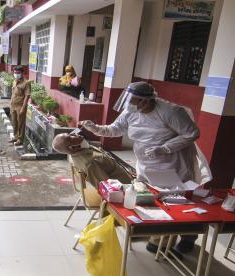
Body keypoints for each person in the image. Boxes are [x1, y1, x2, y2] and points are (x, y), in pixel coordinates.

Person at [79, 81, 211, 255]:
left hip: (172, 163)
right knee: (149, 197)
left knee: (178, 200)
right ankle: (159, 236)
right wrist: (94, 128)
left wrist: (165, 148)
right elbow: (115, 129)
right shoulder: (131, 111)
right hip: (146, 163)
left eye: (132, 100)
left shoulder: (170, 112)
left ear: (145, 101)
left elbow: (192, 133)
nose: (129, 104)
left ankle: (188, 237)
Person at [52, 133, 133, 188]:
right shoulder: (90, 163)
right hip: (125, 186)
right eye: (70, 138)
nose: (74, 134)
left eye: (70, 133)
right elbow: (106, 186)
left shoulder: (80, 151)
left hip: (126, 176)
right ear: (71, 148)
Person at [9, 65, 31, 146]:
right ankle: (15, 136)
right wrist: (10, 103)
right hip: (13, 105)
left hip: (20, 106)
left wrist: (23, 108)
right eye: (15, 72)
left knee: (21, 123)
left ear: (22, 73)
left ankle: (20, 139)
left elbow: (27, 96)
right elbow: (13, 93)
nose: (16, 74)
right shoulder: (14, 81)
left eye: (18, 73)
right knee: (14, 122)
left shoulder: (26, 83)